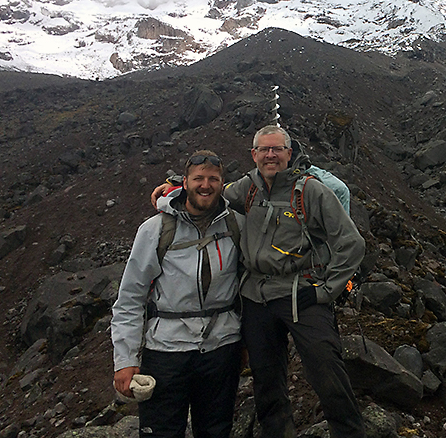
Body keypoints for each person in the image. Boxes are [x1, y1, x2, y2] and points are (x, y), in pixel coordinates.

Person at [150, 126, 365, 438]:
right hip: (256, 297)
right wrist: (174, 188)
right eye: (263, 149)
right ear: (253, 155)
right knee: (266, 382)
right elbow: (210, 194)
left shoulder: (312, 191)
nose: (270, 155)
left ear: (289, 154)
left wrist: (325, 291)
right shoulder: (247, 189)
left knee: (327, 373)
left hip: (301, 293)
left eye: (277, 149)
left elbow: (352, 244)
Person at [113, 150, 244, 438]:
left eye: (213, 179)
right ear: (184, 182)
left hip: (222, 348)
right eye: (198, 178)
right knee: (161, 431)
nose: (205, 185)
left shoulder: (236, 224)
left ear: (223, 183)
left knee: (216, 431)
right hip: (166, 351)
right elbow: (130, 298)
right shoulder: (156, 230)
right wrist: (125, 361)